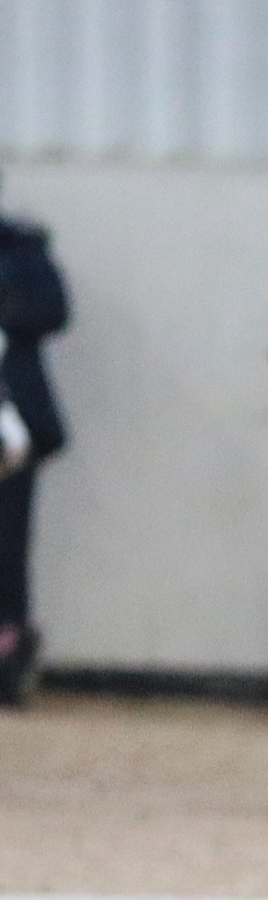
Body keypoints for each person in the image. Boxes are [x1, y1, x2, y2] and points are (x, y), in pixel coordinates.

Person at [0, 177, 70, 707]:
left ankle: (8, 654)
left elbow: (54, 313)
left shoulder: (23, 249)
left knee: (8, 545)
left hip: (11, 429)